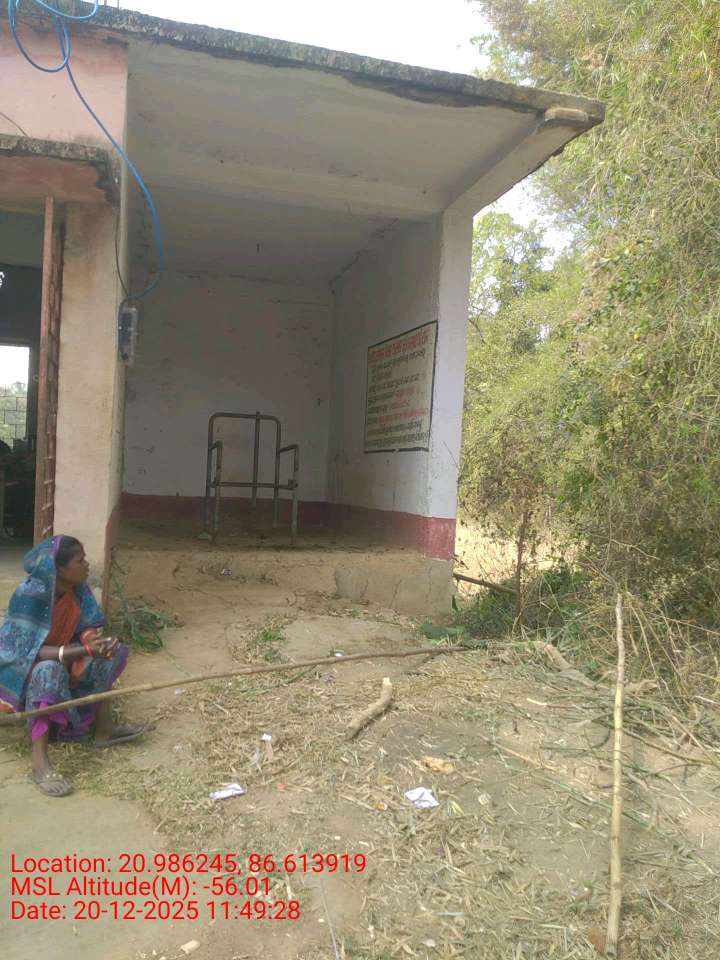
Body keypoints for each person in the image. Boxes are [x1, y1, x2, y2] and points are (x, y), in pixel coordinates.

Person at [0, 535, 145, 797]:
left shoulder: (78, 589)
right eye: (80, 560)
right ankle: (39, 761)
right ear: (58, 568)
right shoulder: (30, 595)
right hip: (27, 673)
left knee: (110, 655)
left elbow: (86, 627)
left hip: (66, 662)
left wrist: (95, 642)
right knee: (48, 670)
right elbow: (25, 652)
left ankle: (104, 729)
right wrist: (81, 651)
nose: (86, 565)